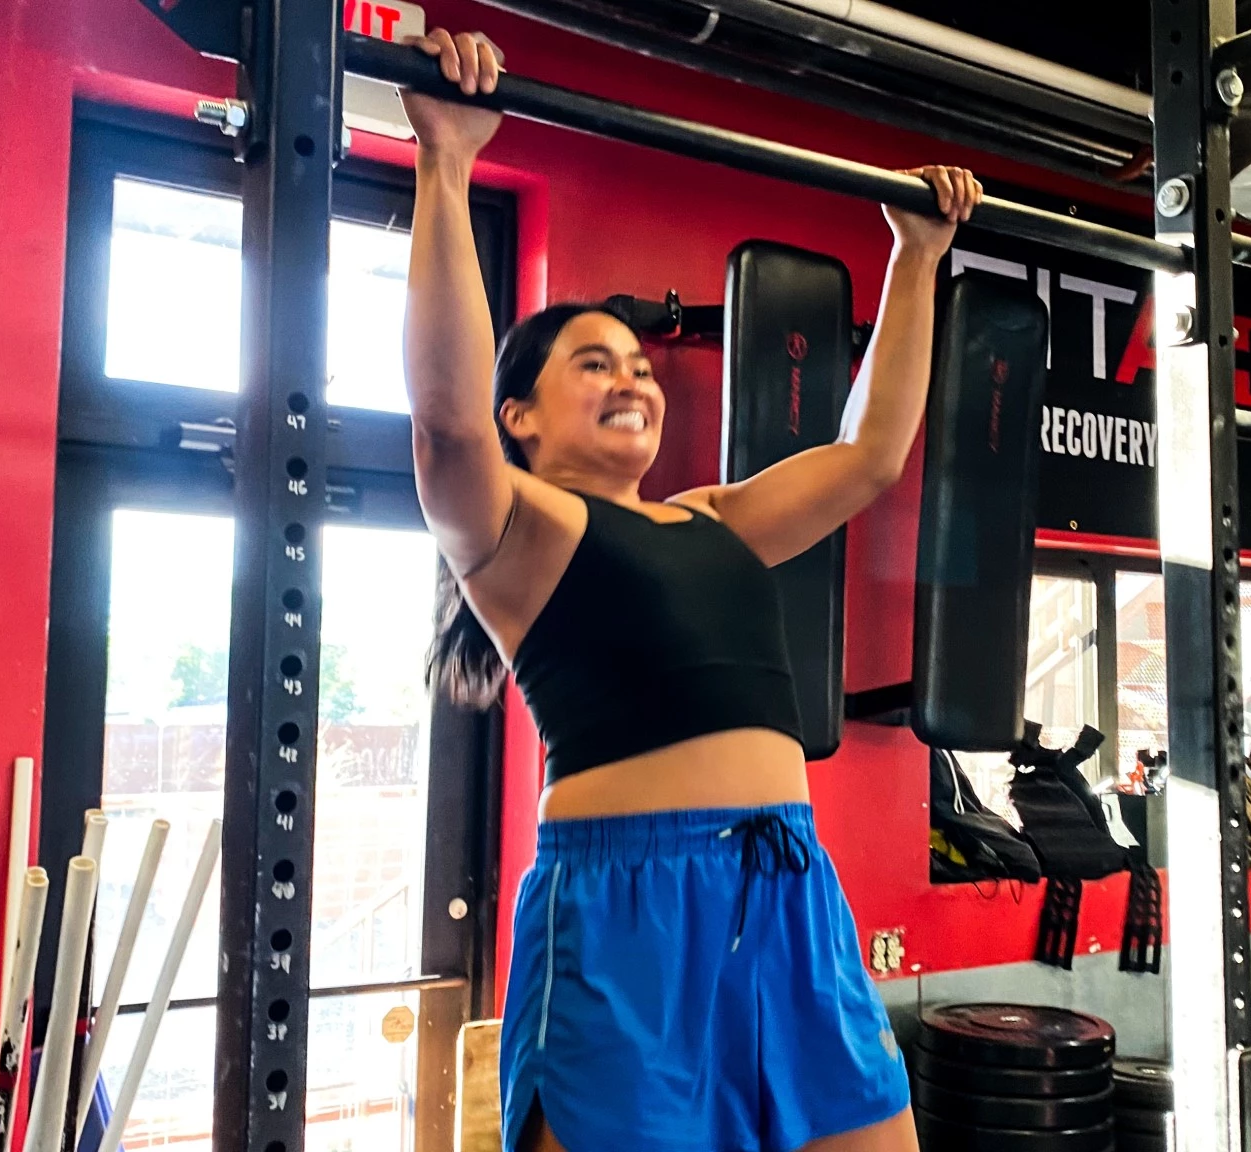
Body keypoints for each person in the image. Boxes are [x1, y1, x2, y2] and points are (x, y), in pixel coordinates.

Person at [400, 27, 981, 1152]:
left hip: (787, 883)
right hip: (630, 909)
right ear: (522, 416)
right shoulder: (519, 534)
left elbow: (867, 457)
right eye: (592, 363)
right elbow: (446, 423)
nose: (631, 378)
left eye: (637, 363)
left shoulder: (714, 519)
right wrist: (448, 160)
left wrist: (915, 257)